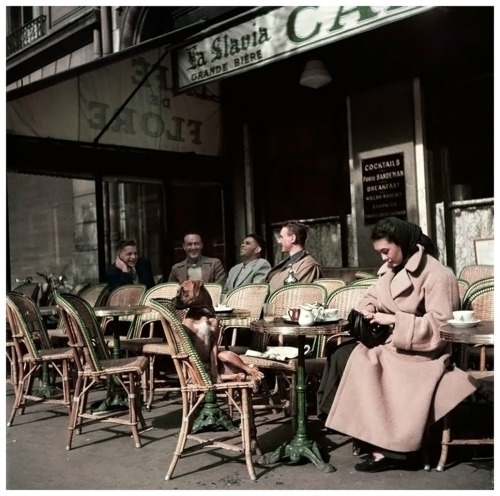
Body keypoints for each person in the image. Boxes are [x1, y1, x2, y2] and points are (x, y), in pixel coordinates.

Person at [324, 217, 477, 472]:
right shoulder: (391, 270)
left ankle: (392, 451)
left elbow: (442, 329)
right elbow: (371, 296)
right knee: (340, 353)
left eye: (386, 251)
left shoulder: (438, 274)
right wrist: (369, 309)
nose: (383, 258)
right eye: (379, 252)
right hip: (396, 345)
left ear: (403, 244)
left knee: (360, 361)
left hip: (423, 353)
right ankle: (367, 436)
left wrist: (394, 319)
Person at [266, 220, 322, 293]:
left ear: (292, 238)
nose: (279, 241)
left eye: (281, 237)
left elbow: (294, 294)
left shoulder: (308, 265)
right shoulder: (289, 262)